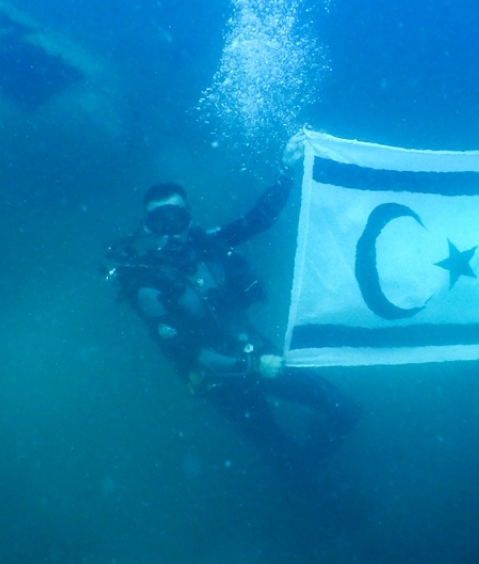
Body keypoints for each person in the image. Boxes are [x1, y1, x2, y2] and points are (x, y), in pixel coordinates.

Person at [104, 161, 360, 473]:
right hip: (222, 383)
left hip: (255, 350)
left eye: (177, 216)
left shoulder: (209, 243)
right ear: (147, 226)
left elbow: (259, 219)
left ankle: (317, 463)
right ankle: (314, 491)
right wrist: (251, 366)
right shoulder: (147, 282)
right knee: (281, 455)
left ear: (189, 218)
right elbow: (186, 351)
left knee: (343, 409)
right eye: (160, 220)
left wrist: (286, 171)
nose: (171, 228)